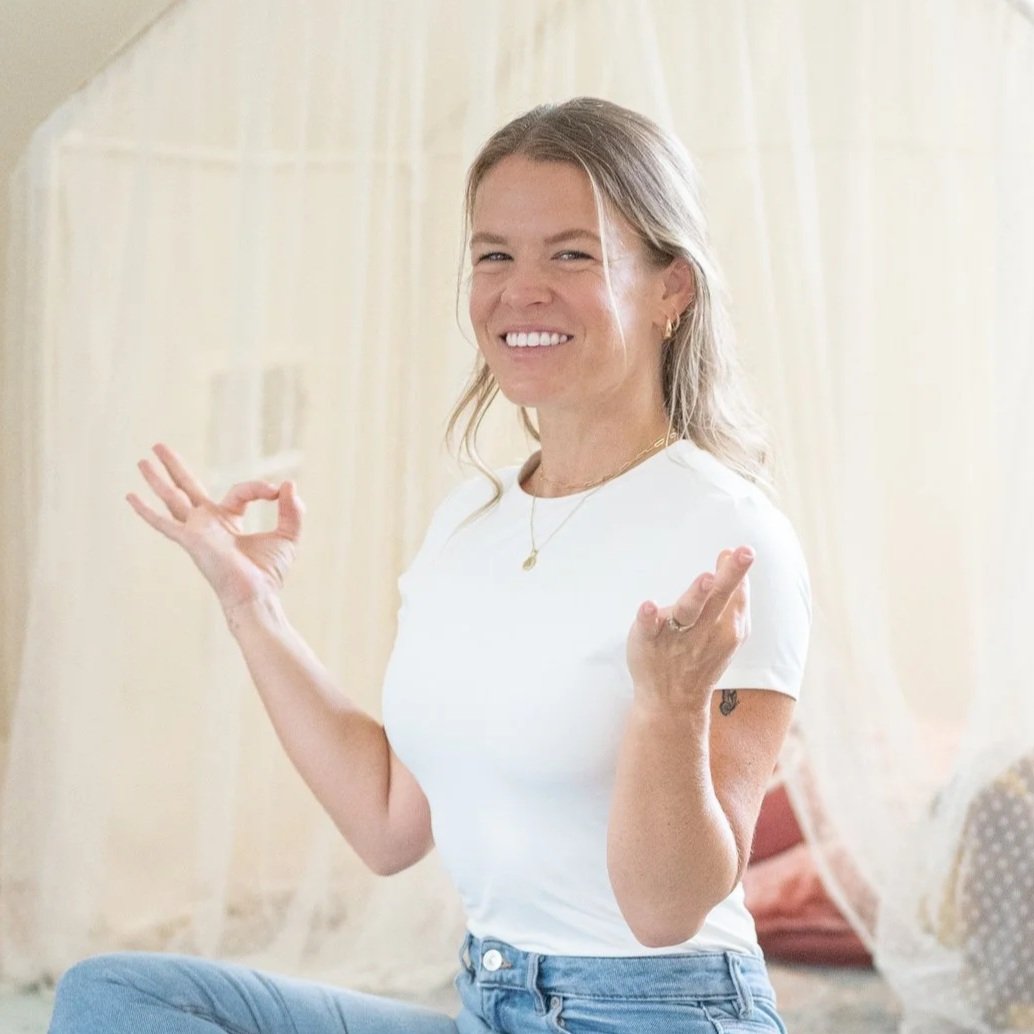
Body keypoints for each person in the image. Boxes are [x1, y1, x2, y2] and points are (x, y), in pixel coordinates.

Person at [49, 97, 811, 1034]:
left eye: (570, 254)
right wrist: (252, 605)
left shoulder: (728, 533)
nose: (520, 290)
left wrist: (669, 708)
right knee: (118, 999)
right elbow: (386, 824)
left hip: (661, 1011)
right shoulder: (469, 522)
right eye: (495, 255)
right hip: (490, 1003)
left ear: (671, 289)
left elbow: (666, 910)